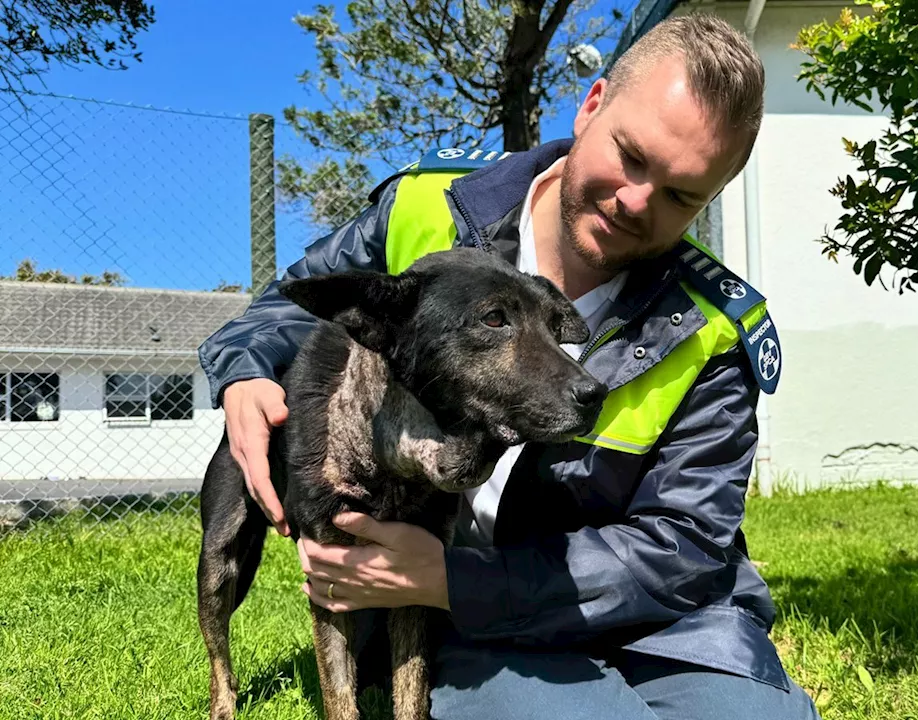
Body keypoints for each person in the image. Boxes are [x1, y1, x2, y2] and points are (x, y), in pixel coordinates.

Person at [197, 13, 818, 720]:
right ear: (591, 107)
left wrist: (457, 580)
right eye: (632, 156)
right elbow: (293, 306)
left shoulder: (711, 330)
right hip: (462, 625)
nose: (637, 201)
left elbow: (683, 547)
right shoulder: (424, 213)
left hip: (664, 629)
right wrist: (246, 372)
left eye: (681, 195)